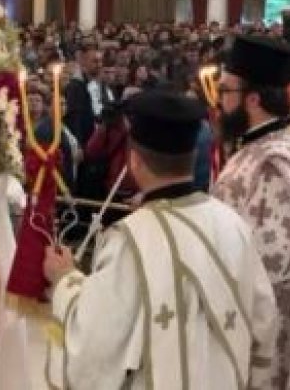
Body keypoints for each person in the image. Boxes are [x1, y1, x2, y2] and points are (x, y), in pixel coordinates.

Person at [43, 90, 278, 389]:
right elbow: (264, 320)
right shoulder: (233, 223)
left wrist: (65, 279)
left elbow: (93, 344)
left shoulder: (131, 240)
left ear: (135, 160)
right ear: (193, 158)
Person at [212, 35, 290, 389]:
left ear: (253, 100)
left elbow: (270, 266)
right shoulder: (255, 149)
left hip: (263, 336)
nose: (219, 100)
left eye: (226, 92)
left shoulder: (273, 164)